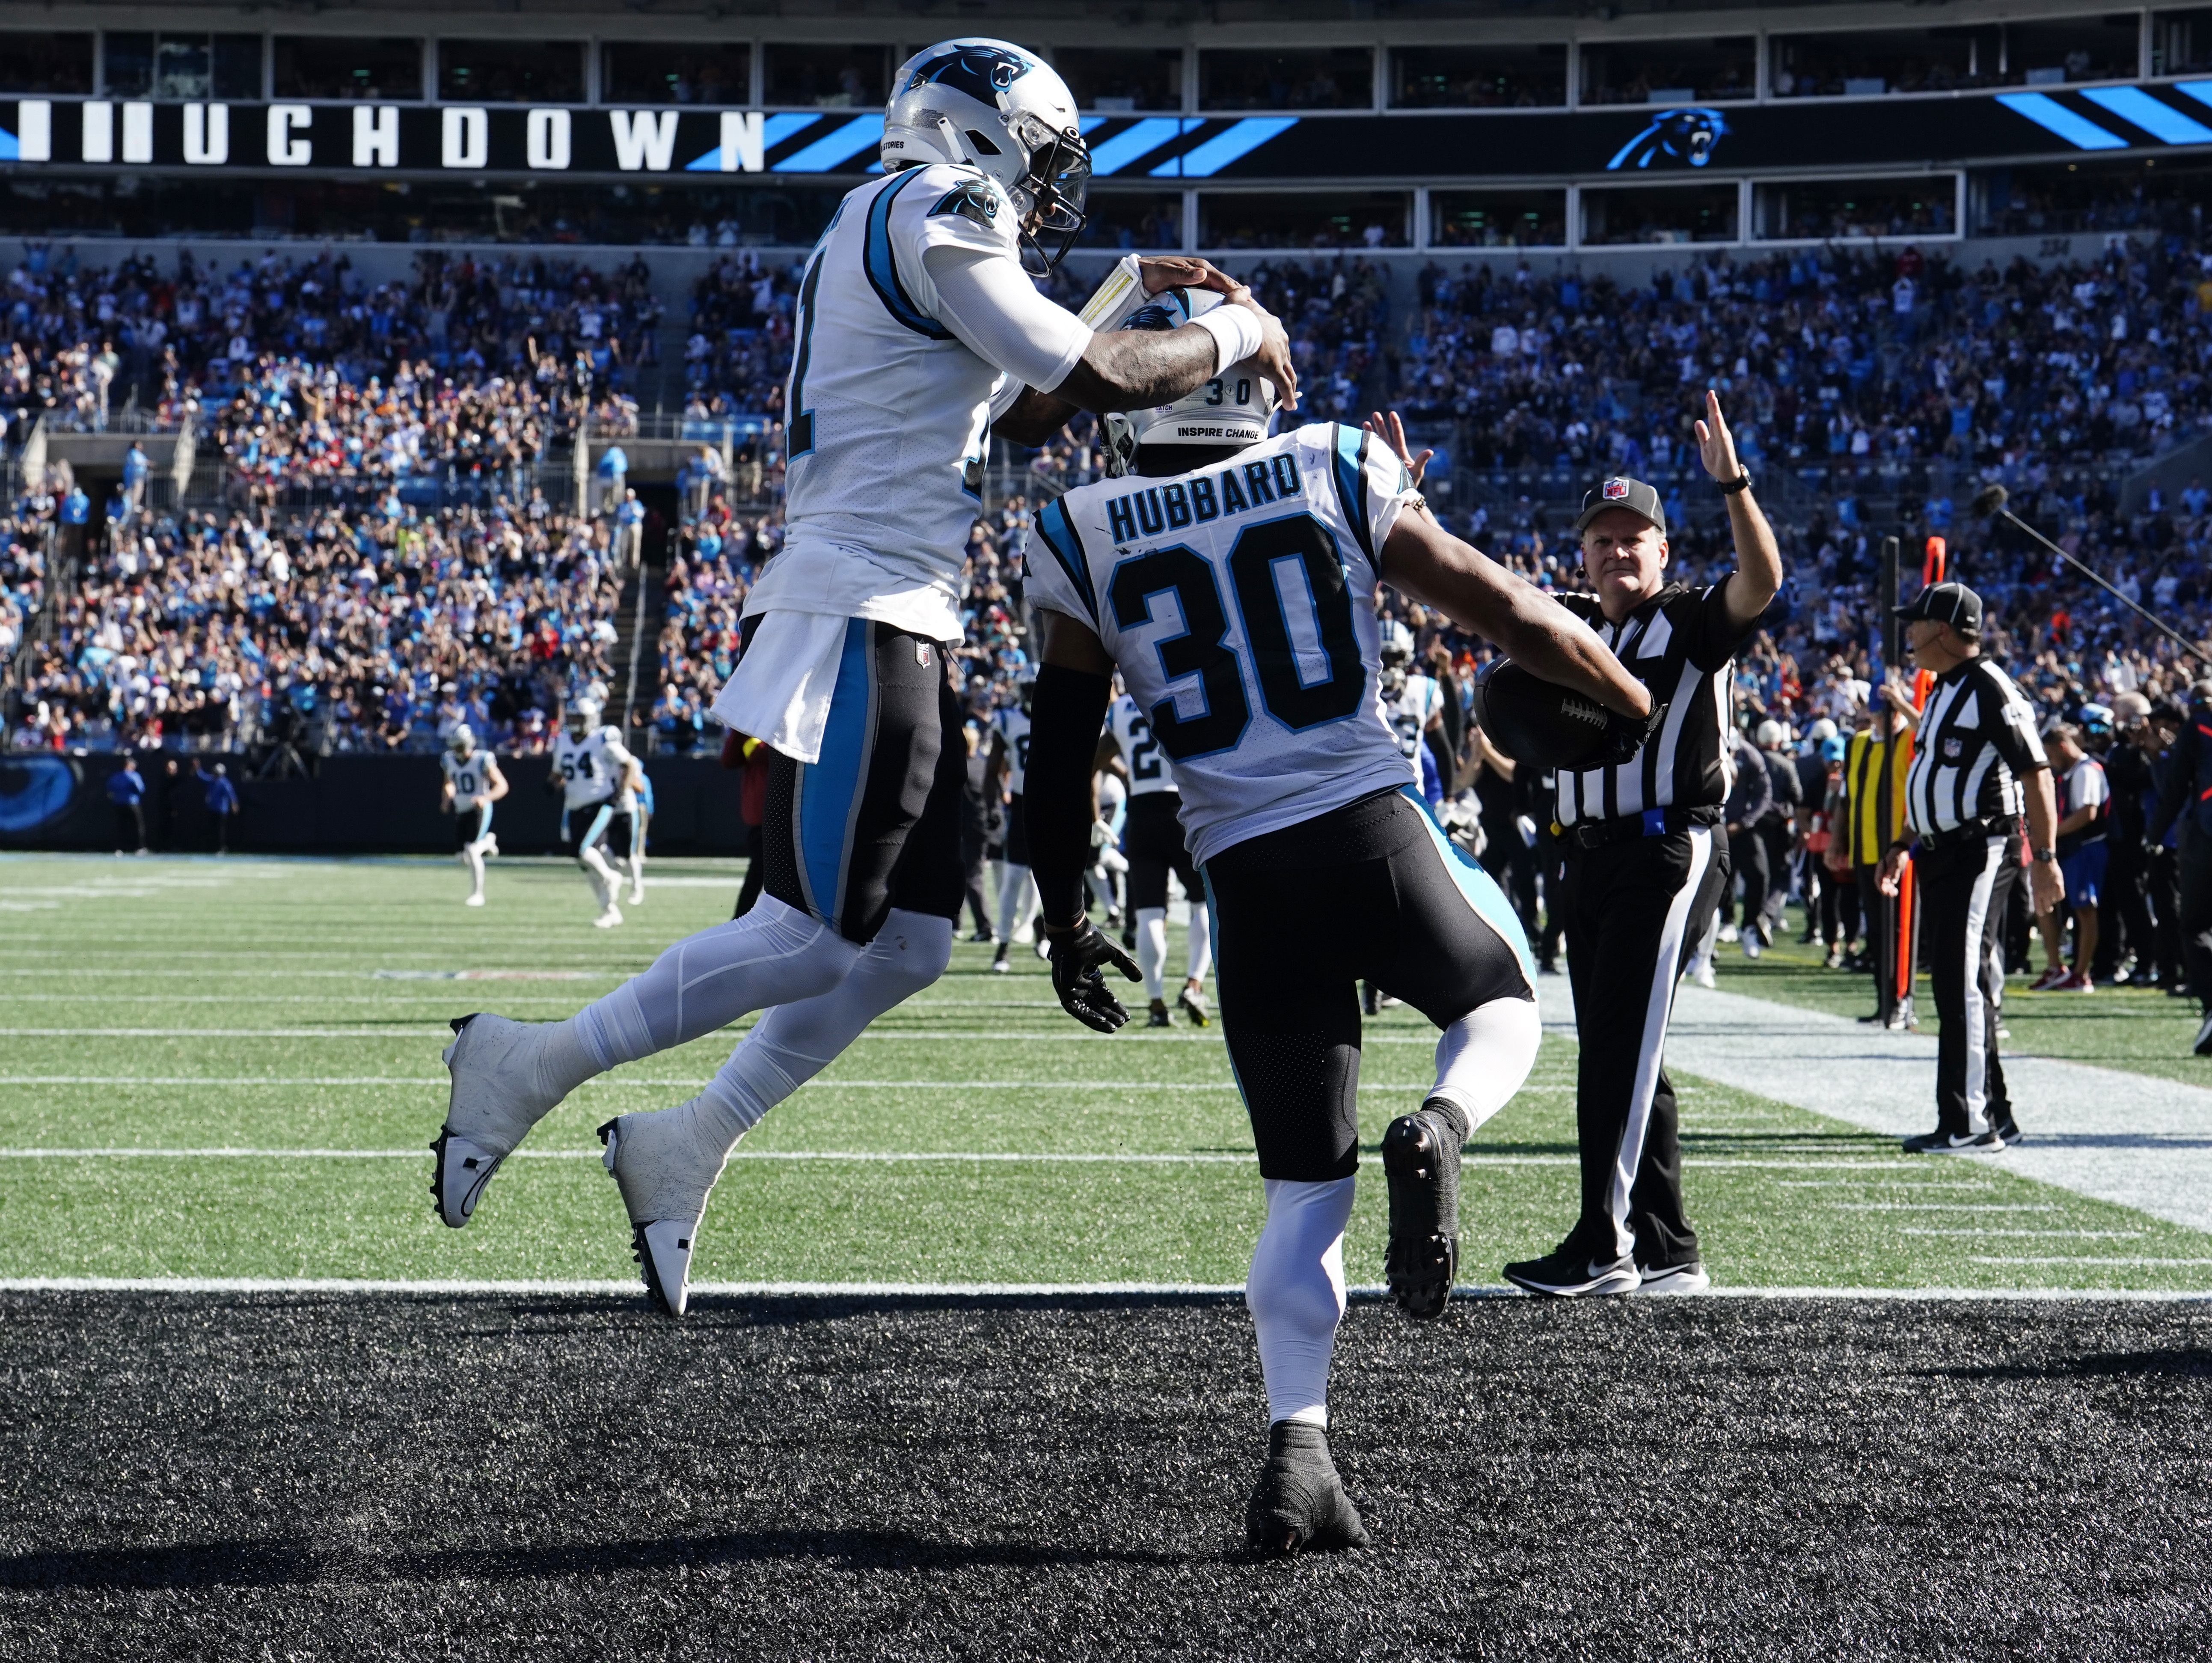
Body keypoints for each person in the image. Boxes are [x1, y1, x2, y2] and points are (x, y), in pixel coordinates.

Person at [430, 37, 1296, 1321]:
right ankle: (527, 1060)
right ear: (979, 132)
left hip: (899, 605)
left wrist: (1113, 292)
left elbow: (1005, 411)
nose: (1050, 193)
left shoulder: (887, 219)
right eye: (1044, 162)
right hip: (861, 602)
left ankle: (687, 1138)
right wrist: (1241, 327)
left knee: (901, 946)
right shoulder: (934, 200)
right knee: (812, 926)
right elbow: (1092, 379)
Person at [1017, 330, 1651, 1554]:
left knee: (1305, 1192)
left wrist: (1062, 911)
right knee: (1502, 1002)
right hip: (1371, 830)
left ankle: (1297, 1452)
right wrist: (1625, 698)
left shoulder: (1079, 527)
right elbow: (1506, 606)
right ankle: (1445, 1125)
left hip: (1246, 879)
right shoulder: (1327, 460)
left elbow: (1056, 760)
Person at [1502, 401, 1783, 1300]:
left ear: (1663, 549)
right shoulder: (1582, 631)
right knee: (1627, 1051)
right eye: (1601, 539)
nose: (1617, 552)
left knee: (1615, 1052)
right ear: (1580, 553)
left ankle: (1603, 1243)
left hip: (1663, 849)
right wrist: (1414, 512)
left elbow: (1762, 581)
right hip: (1587, 856)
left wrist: (1732, 484)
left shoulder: (1692, 619)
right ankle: (1666, 1246)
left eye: (1634, 538)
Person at [1877, 581, 2064, 1151]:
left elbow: (2035, 772)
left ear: (1942, 629)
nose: (1908, 634)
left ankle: (1968, 1122)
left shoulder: (1988, 686)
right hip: (1941, 848)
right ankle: (1993, 1112)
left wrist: (2046, 858)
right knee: (1965, 982)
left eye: (1916, 623)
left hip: (1978, 847)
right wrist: (1902, 842)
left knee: (1960, 985)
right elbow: (1934, 774)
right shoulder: (1942, 689)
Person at [1105, 679, 1211, 1025]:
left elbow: (1095, 761)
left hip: (1141, 813)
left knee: (1150, 912)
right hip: (1184, 807)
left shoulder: (1120, 707)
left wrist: (1094, 813)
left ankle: (1155, 1003)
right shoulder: (1186, 692)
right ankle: (1194, 984)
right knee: (1205, 904)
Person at [1842, 696, 1913, 1025]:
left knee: (1900, 930)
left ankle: (1901, 999)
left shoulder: (1908, 739)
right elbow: (1848, 797)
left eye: (1894, 711)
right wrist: (1837, 839)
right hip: (1864, 849)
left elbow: (1925, 730)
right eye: (1882, 712)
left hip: (1898, 851)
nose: (1887, 718)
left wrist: (1902, 699)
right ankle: (1884, 999)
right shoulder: (1857, 744)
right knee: (1877, 932)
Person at [2152, 679, 2212, 1054]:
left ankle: (2210, 1008)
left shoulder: (2198, 728)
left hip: (2205, 838)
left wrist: (2154, 834)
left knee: (2195, 923)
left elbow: (2174, 788)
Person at [2031, 722, 2107, 992]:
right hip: (2065, 848)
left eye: (2051, 752)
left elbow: (2088, 813)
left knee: (2085, 909)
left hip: (2085, 847)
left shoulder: (2087, 771)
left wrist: (2051, 833)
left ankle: (2081, 972)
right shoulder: (2065, 773)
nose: (2050, 759)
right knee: (2046, 903)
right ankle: (2055, 967)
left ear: (2062, 747)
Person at [550, 697, 635, 928]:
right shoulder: (563, 741)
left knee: (581, 850)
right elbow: (559, 773)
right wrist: (551, 784)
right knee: (585, 863)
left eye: (581, 718)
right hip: (574, 806)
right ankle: (610, 910)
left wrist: (619, 793)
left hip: (600, 804)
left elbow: (629, 764)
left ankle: (612, 877)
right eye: (574, 717)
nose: (576, 722)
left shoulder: (602, 739)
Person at [988, 671, 1041, 973]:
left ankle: (1043, 933)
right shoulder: (1007, 719)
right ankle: (1004, 943)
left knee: (1056, 878)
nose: (1034, 694)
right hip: (1021, 804)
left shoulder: (1062, 713)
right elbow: (992, 767)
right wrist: (993, 803)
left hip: (1055, 805)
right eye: (1030, 689)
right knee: (1013, 878)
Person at [441, 724, 508, 908]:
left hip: (479, 809)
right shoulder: (449, 760)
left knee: (472, 851)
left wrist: (485, 798)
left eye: (460, 747)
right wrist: (446, 799)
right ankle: (488, 842)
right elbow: (449, 782)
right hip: (462, 809)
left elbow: (502, 785)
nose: (457, 751)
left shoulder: (482, 760)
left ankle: (478, 894)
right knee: (461, 858)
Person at [108, 755, 147, 855]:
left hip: (118, 805)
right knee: (138, 826)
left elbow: (110, 791)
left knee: (120, 827)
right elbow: (141, 789)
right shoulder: (134, 776)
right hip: (132, 804)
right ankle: (140, 848)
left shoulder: (116, 777)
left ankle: (118, 849)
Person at [628, 761, 654, 907]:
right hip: (629, 806)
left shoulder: (643, 779)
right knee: (632, 832)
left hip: (639, 806)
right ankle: (631, 853)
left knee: (641, 832)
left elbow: (646, 794)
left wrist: (649, 809)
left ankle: (639, 853)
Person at [202, 761, 239, 855]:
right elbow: (202, 777)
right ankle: (214, 847)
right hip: (212, 809)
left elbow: (231, 795)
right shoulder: (212, 780)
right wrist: (198, 769)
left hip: (221, 811)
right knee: (213, 830)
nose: (215, 773)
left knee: (220, 831)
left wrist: (234, 805)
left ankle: (222, 848)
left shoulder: (224, 783)